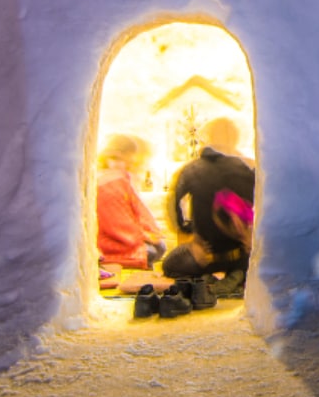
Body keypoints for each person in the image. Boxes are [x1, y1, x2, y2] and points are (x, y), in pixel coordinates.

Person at [162, 117, 256, 295]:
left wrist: (187, 231)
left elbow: (174, 204)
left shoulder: (192, 169)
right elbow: (264, 204)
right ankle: (238, 275)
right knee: (257, 261)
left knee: (170, 265)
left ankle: (204, 281)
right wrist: (253, 236)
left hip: (204, 255)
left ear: (209, 138)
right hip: (243, 253)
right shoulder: (247, 166)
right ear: (235, 139)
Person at [96, 134, 167, 276]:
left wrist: (150, 232)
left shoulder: (121, 179)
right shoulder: (108, 182)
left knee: (160, 246)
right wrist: (144, 235)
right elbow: (116, 223)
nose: (117, 164)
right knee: (152, 251)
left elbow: (139, 211)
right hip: (113, 241)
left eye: (122, 160)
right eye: (113, 158)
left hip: (128, 235)